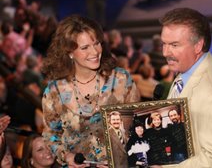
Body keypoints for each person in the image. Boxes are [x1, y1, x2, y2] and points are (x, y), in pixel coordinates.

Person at [41, 15, 140, 167]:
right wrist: (67, 156)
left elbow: (138, 124)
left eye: (96, 43)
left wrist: (118, 157)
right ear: (69, 52)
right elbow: (51, 134)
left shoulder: (120, 80)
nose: (95, 52)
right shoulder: (55, 91)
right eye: (85, 47)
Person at [160, 8, 212, 167]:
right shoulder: (190, 67)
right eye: (164, 44)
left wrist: (165, 166)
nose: (165, 52)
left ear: (198, 46)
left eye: (174, 45)